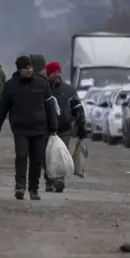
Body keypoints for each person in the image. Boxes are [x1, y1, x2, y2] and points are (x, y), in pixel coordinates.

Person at [0, 55, 58, 200]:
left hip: (40, 128)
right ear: (19, 70)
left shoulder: (42, 83)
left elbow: (50, 107)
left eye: (30, 67)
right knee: (21, 156)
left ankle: (33, 188)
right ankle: (20, 186)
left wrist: (53, 126)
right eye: (25, 68)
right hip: (20, 128)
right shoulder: (10, 86)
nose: (28, 70)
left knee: (36, 159)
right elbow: (2, 108)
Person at [44, 61, 86, 193]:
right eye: (53, 72)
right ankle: (49, 179)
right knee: (47, 155)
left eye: (58, 72)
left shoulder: (68, 90)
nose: (57, 75)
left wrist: (81, 124)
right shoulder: (43, 89)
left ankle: (59, 179)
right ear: (48, 74)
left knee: (62, 153)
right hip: (45, 128)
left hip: (64, 128)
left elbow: (77, 108)